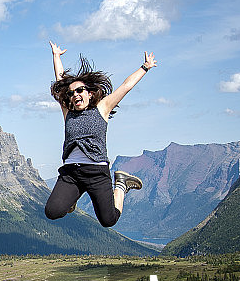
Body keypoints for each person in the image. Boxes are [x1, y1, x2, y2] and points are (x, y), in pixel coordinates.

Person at [44, 41, 156, 227]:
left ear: (89, 93)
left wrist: (145, 67)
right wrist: (56, 57)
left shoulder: (102, 108)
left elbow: (126, 86)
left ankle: (121, 185)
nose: (75, 95)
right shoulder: (68, 112)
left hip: (96, 172)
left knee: (108, 220)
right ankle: (70, 199)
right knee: (52, 212)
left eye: (80, 90)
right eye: (71, 93)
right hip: (71, 173)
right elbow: (60, 83)